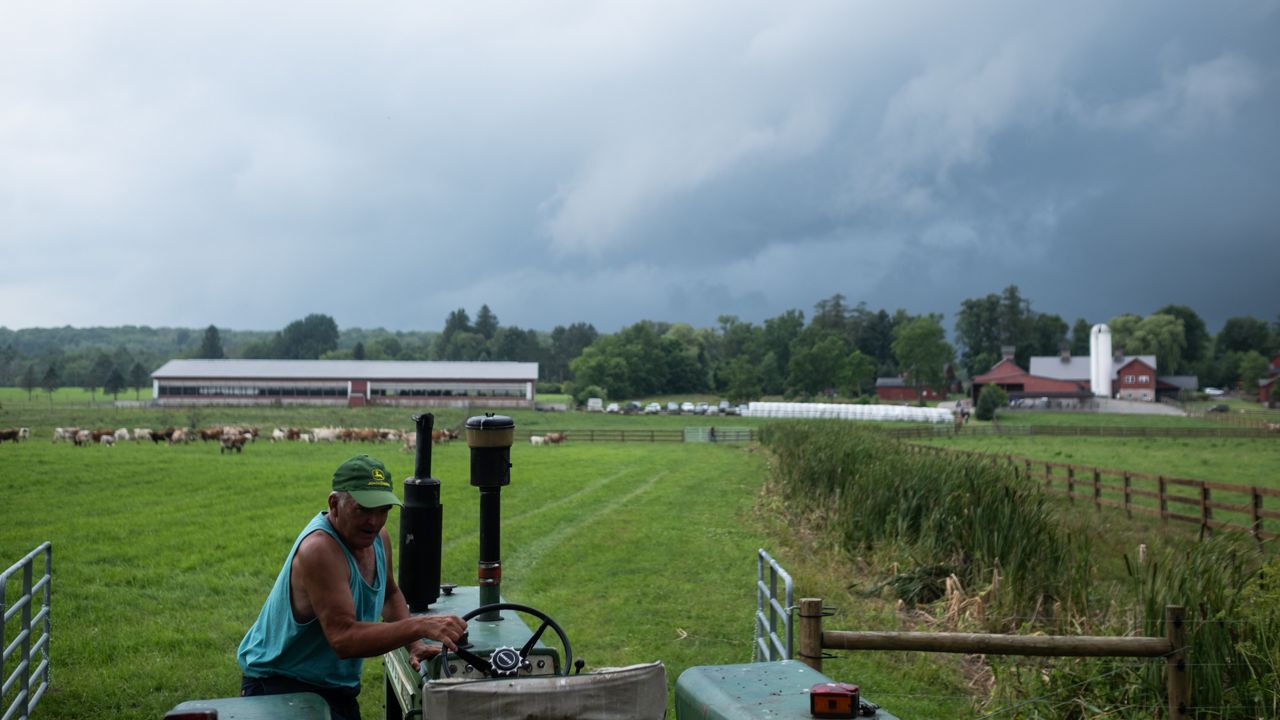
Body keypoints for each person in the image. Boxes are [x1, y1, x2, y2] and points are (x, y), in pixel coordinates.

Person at [238, 454, 466, 720]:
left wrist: (414, 644)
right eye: (363, 509)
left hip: (336, 688)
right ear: (334, 504)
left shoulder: (378, 538)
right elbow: (343, 639)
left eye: (383, 510)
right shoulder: (320, 550)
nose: (374, 520)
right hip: (282, 688)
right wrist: (421, 625)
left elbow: (390, 595)